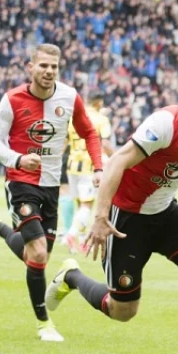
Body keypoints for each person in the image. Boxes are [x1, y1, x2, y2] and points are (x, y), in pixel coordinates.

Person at [43, 64, 178, 354]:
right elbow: (118, 160)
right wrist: (100, 217)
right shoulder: (167, 122)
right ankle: (72, 277)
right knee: (123, 312)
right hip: (127, 217)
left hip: (165, 212)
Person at [0, 44, 103, 342]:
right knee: (39, 252)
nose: (49, 71)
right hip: (20, 182)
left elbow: (89, 132)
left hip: (52, 185)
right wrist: (17, 159)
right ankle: (44, 323)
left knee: (35, 256)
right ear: (30, 67)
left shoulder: (69, 97)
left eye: (54, 67)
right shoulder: (12, 99)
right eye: (43, 66)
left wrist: (98, 167)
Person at [62, 90, 115, 252]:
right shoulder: (101, 119)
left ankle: (82, 242)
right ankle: (71, 235)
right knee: (87, 206)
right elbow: (104, 144)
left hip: (72, 165)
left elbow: (65, 142)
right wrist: (116, 159)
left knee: (81, 205)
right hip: (90, 166)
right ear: (99, 103)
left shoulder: (73, 118)